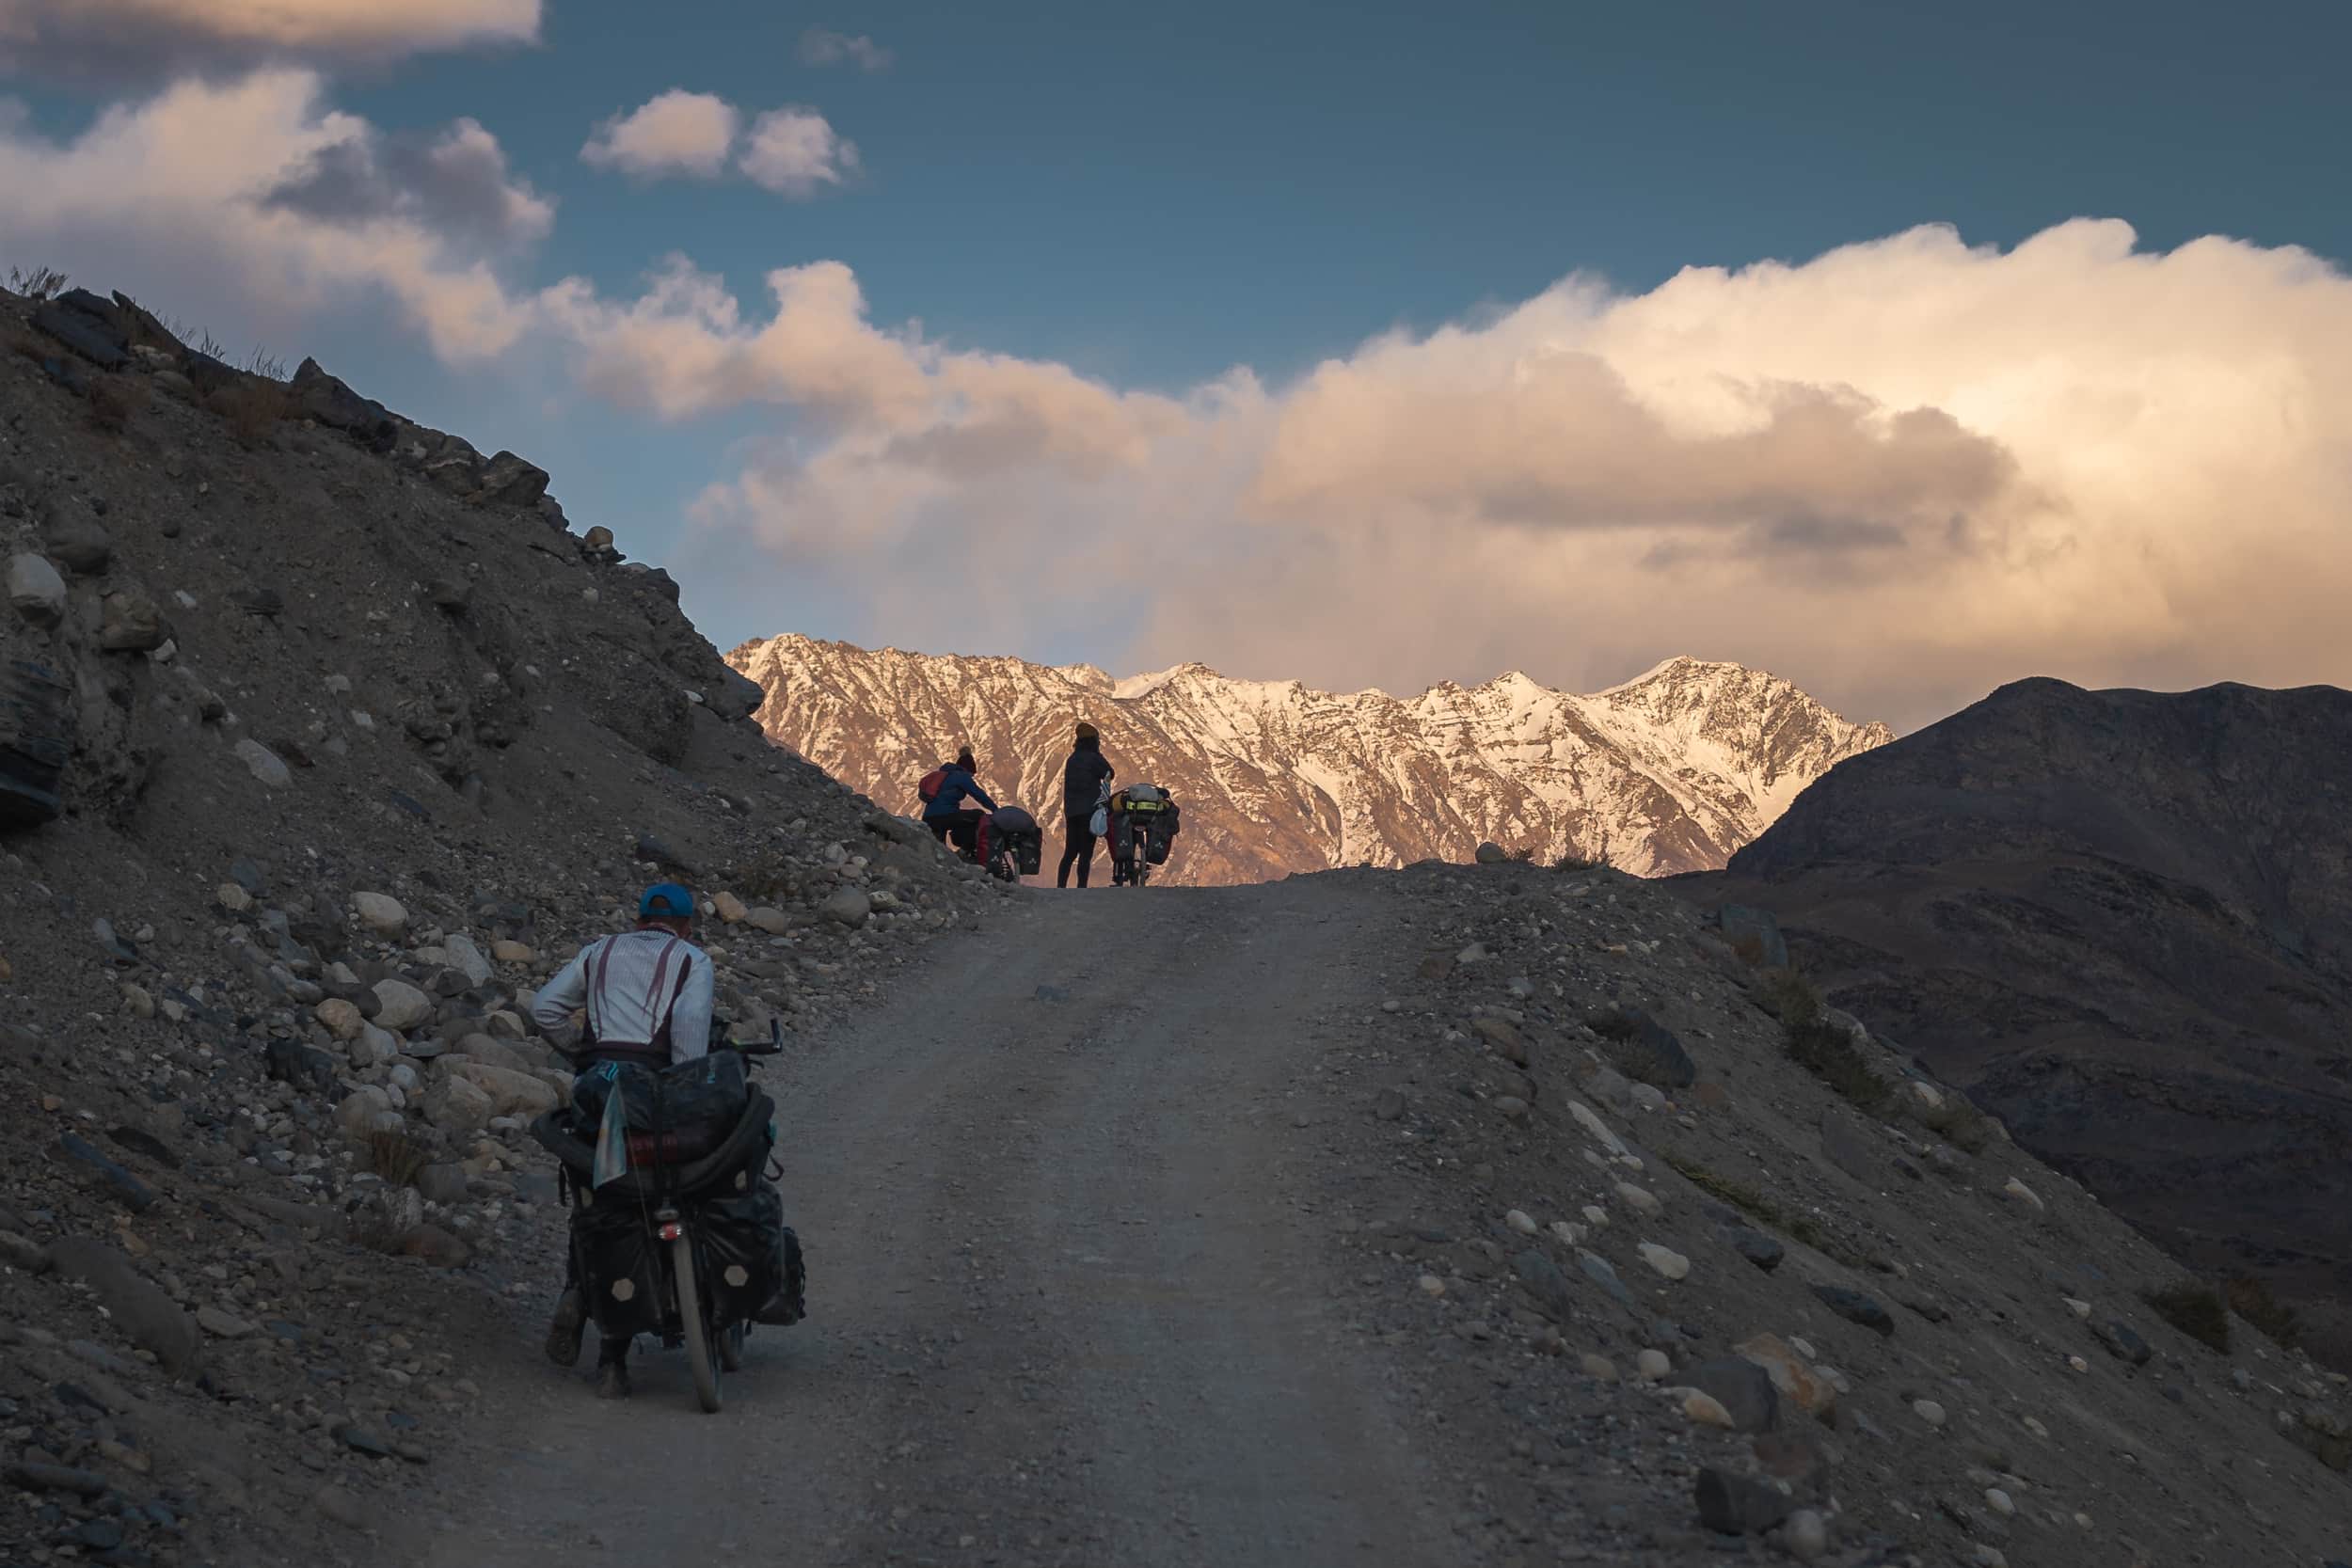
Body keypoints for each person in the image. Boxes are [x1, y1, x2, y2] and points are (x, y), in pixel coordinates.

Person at [532, 883, 800, 1398]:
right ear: (685, 927)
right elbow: (690, 1032)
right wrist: (684, 1086)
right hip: (656, 1089)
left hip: (601, 1088)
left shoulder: (598, 952)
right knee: (698, 1176)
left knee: (598, 1192)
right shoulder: (690, 959)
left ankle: (601, 1337)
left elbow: (544, 1008)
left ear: (637, 923)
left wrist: (583, 1055)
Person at [1057, 721, 1115, 888]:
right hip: (1089, 811)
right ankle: (1081, 886)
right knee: (1086, 852)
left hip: (1072, 812)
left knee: (1070, 852)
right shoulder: (1093, 758)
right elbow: (1109, 773)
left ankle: (1061, 886)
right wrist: (1099, 755)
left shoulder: (1072, 759)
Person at [922, 750, 996, 857]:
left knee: (940, 851)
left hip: (929, 817)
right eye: (972, 775)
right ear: (968, 770)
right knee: (979, 816)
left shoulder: (945, 775)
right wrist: (995, 810)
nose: (972, 778)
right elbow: (979, 795)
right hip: (945, 815)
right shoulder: (961, 776)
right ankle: (964, 851)